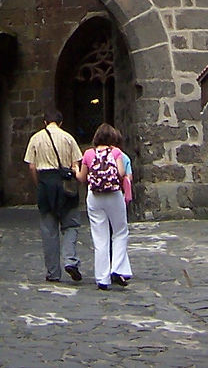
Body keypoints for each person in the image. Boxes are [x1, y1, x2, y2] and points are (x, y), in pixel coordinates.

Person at [23, 111, 83, 282]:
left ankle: (53, 273)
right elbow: (75, 164)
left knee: (49, 230)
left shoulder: (36, 138)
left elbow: (32, 167)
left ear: (45, 122)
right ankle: (70, 259)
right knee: (71, 224)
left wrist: (39, 184)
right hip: (65, 182)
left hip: (45, 182)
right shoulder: (68, 138)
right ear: (61, 122)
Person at [75, 122, 133, 290]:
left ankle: (102, 279)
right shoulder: (116, 152)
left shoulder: (88, 153)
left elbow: (82, 178)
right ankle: (117, 268)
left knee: (100, 238)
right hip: (113, 195)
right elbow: (121, 173)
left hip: (94, 197)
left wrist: (74, 170)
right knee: (120, 232)